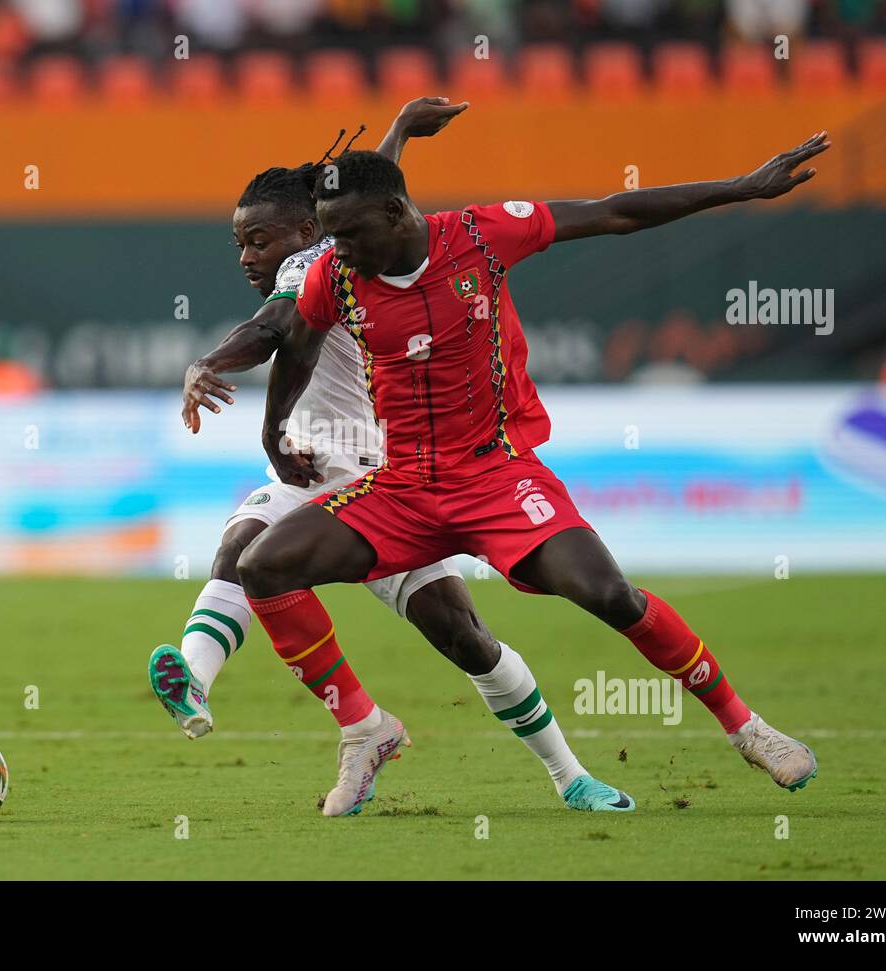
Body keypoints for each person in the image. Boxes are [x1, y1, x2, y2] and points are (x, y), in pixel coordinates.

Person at [237, 133, 834, 808]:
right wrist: (274, 431)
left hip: (497, 477)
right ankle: (361, 727)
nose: (335, 250)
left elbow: (615, 212)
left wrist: (741, 186)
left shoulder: (481, 234)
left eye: (345, 235)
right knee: (262, 566)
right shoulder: (335, 276)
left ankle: (747, 728)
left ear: (396, 217)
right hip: (401, 487)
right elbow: (297, 345)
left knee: (611, 595)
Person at [151, 99, 633, 816]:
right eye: (239, 244)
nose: (247, 255)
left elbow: (272, 328)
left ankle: (569, 775)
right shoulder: (348, 242)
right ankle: (222, 686)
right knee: (243, 552)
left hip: (388, 485)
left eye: (257, 239)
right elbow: (373, 190)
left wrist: (209, 360)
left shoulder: (315, 266)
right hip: (313, 473)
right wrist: (401, 130)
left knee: (464, 637)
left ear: (308, 231)